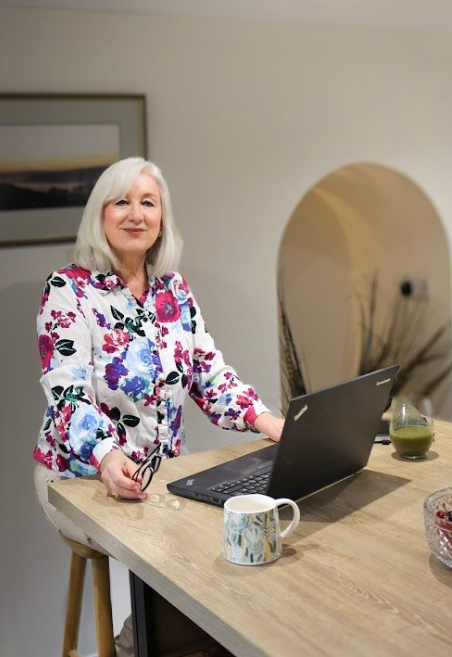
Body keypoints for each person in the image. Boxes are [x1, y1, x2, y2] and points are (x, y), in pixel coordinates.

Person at [33, 157, 284, 656]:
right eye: (121, 201)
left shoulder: (174, 290)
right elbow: (67, 394)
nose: (135, 214)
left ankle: (164, 643)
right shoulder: (67, 290)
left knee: (237, 537)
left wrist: (272, 422)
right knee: (179, 559)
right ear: (99, 215)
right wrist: (105, 457)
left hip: (162, 473)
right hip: (78, 477)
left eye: (148, 202)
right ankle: (137, 648)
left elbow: (209, 373)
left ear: (162, 218)